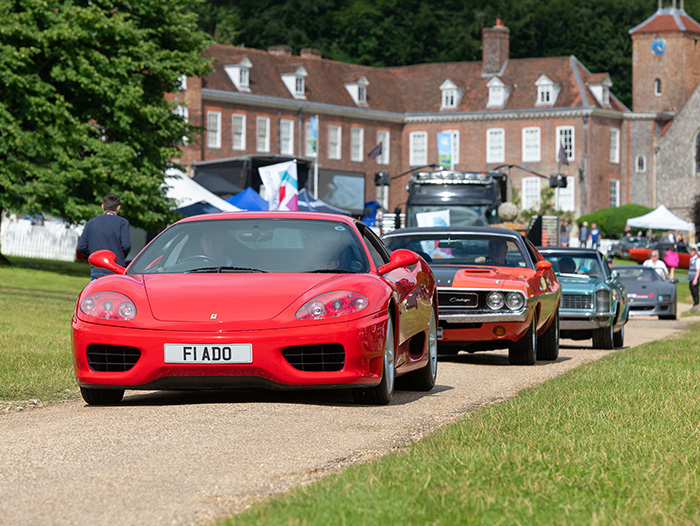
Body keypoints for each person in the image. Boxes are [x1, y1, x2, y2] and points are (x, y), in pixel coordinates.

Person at [77, 193, 131, 280]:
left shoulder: (91, 223)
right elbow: (126, 245)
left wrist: (94, 256)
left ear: (102, 206)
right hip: (116, 268)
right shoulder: (123, 223)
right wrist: (119, 256)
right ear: (118, 207)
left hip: (97, 268)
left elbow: (81, 246)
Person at [689, 247, 699, 312]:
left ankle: (696, 304)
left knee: (695, 291)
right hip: (691, 277)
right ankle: (694, 303)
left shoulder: (697, 260)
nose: (691, 252)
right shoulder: (691, 259)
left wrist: (695, 279)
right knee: (691, 289)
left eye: (692, 251)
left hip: (695, 278)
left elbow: (698, 270)